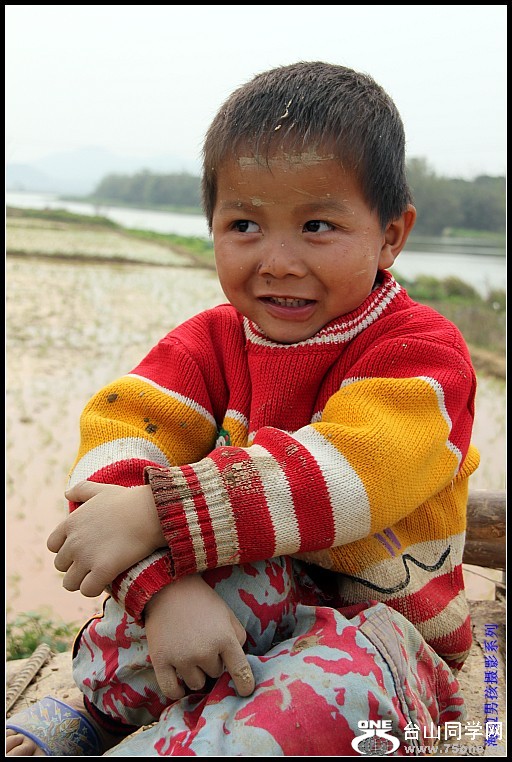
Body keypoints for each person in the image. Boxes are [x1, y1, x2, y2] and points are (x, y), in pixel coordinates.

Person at [6, 60, 480, 756]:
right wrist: (163, 591)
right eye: (245, 225)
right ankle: (106, 713)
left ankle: (171, 739)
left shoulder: (422, 355)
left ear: (391, 234)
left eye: (317, 225)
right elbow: (114, 450)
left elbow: (350, 473)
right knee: (137, 620)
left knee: (316, 706)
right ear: (211, 226)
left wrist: (158, 513)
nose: (277, 260)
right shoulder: (209, 342)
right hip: (257, 590)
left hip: (386, 633)